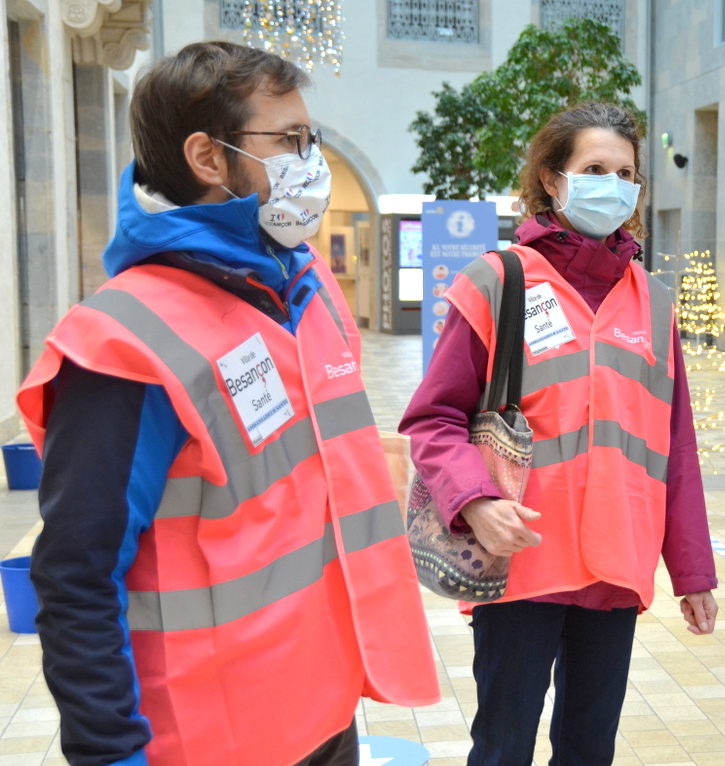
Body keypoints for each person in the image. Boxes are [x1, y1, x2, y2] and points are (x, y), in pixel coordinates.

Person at [16, 41, 439, 765]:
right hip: (211, 738)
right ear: (209, 159)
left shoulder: (304, 292)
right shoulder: (124, 344)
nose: (311, 162)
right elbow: (76, 574)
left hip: (325, 708)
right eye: (292, 141)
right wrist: (109, 752)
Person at [400, 102, 719, 766]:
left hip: (615, 563)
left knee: (588, 747)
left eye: (625, 172)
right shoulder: (498, 281)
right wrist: (477, 502)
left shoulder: (653, 301)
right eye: (593, 167)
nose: (613, 183)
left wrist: (692, 570)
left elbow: (675, 447)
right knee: (503, 745)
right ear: (552, 178)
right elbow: (433, 418)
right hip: (523, 561)